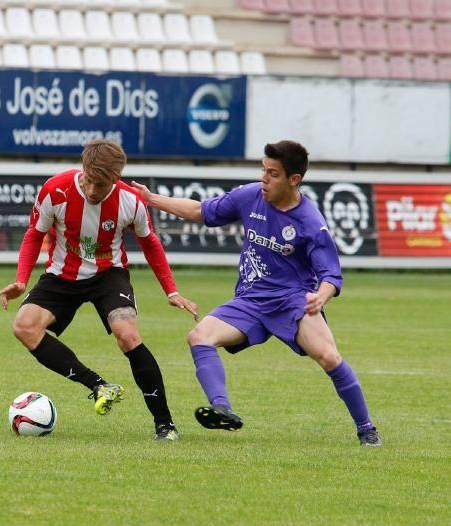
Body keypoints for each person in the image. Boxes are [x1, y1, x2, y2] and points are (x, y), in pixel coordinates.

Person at [131, 140, 382, 447]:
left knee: (328, 356)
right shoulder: (250, 196)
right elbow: (200, 211)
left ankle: (366, 428)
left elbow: (330, 273)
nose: (264, 178)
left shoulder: (310, 222)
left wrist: (322, 295)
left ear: (294, 179)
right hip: (250, 300)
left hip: (293, 302)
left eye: (273, 173)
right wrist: (151, 198)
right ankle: (222, 407)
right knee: (199, 337)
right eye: (263, 170)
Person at [0, 139, 198, 442]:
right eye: (89, 180)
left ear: (116, 179)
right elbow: (34, 234)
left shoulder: (131, 201)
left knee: (128, 335)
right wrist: (21, 280)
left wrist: (171, 290)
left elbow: (150, 243)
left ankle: (165, 424)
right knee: (24, 327)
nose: (92, 190)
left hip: (109, 274)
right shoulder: (56, 190)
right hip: (62, 275)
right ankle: (98, 385)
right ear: (84, 169)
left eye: (101, 185)